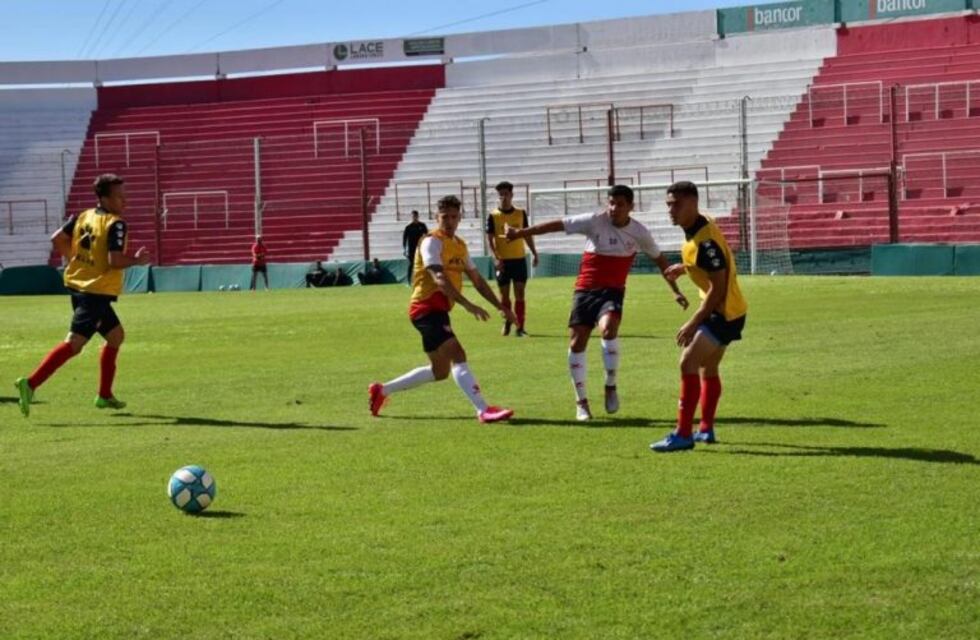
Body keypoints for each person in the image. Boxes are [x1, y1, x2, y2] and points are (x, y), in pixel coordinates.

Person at [505, 184, 688, 421]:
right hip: (585, 291)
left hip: (612, 292)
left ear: (631, 207)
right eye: (611, 203)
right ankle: (581, 402)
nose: (614, 208)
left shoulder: (640, 233)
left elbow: (661, 262)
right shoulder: (594, 220)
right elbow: (558, 224)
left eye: (620, 204)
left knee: (609, 328)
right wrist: (520, 234)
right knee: (576, 341)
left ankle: (610, 384)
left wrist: (675, 291)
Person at [369, 195, 517, 424]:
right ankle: (483, 410)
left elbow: (477, 280)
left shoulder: (459, 245)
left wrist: (502, 307)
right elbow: (439, 278)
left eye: (454, 217)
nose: (449, 221)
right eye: (444, 217)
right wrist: (468, 305)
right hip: (425, 308)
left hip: (438, 310)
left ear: (460, 218)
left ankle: (382, 390)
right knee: (458, 354)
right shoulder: (431, 242)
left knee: (440, 372)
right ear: (436, 218)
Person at [14, 173, 151, 418]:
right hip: (95, 292)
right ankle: (30, 383)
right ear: (106, 198)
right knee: (74, 344)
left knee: (116, 336)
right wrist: (138, 260)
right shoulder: (115, 223)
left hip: (78, 285)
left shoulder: (83, 216)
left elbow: (57, 238)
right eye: (120, 197)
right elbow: (115, 260)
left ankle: (104, 395)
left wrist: (76, 260)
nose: (125, 201)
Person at [650, 181, 748, 452]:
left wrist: (693, 322)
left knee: (687, 363)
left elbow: (718, 286)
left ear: (693, 203)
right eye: (669, 204)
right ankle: (705, 429)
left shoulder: (704, 243)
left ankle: (683, 434)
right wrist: (685, 268)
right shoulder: (699, 226)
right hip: (731, 310)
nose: (671, 210)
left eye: (677, 204)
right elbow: (708, 266)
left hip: (722, 313)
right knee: (708, 368)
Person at [485, 181, 538, 337]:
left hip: (519, 259)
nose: (503, 197)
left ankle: (520, 327)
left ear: (512, 195)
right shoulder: (493, 216)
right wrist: (496, 258)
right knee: (505, 296)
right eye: (500, 194)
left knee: (520, 293)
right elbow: (490, 240)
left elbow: (526, 235)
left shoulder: (520, 214)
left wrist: (534, 252)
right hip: (502, 262)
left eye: (506, 194)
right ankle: (507, 321)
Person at [402, 210, 428, 281]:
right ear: (411, 217)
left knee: (422, 263)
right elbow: (404, 238)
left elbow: (427, 236)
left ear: (418, 216)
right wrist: (404, 249)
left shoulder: (422, 225)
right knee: (411, 264)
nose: (414, 218)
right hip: (411, 249)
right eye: (413, 216)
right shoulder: (408, 227)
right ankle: (409, 280)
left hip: (420, 248)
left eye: (415, 216)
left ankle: (422, 279)